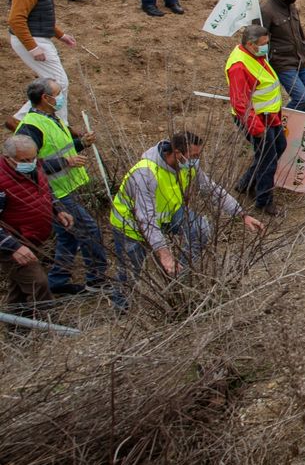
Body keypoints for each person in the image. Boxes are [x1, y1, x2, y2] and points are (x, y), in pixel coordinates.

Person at [108, 131, 264, 298]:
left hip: (168, 214)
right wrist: (164, 253)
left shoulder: (187, 166)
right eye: (194, 155)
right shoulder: (145, 174)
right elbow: (146, 218)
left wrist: (241, 214)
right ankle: (120, 304)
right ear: (177, 153)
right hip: (130, 225)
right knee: (131, 271)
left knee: (201, 229)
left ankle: (177, 276)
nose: (196, 160)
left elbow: (210, 189)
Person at [16, 77, 106, 294]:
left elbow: (58, 148)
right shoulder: (30, 127)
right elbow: (26, 166)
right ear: (45, 98)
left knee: (68, 235)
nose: (61, 97)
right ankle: (97, 280)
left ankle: (58, 280)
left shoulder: (50, 119)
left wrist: (80, 144)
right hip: (53, 192)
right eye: (58, 93)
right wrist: (66, 162)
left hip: (64, 188)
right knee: (89, 231)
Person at [0, 135, 76, 307]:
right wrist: (14, 247)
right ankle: (51, 328)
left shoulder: (34, 166)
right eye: (25, 160)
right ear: (8, 158)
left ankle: (17, 329)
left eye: (33, 157)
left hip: (31, 240)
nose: (31, 162)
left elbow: (44, 189)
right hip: (13, 244)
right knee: (38, 284)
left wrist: (58, 210)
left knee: (19, 288)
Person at [226, 25, 288, 217]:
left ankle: (246, 183)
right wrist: (257, 128)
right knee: (268, 158)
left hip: (269, 116)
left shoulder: (254, 55)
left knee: (278, 147)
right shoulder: (239, 66)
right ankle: (264, 200)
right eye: (264, 44)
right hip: (257, 120)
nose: (267, 47)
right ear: (251, 44)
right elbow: (240, 103)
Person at [7, 0, 77, 115]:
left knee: (55, 83)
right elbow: (16, 20)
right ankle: (41, 120)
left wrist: (60, 35)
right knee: (58, 83)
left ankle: (23, 119)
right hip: (32, 39)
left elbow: (40, 16)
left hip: (37, 37)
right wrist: (32, 47)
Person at [262, 0, 305, 112]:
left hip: (299, 60)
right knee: (301, 99)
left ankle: (301, 130)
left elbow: (300, 33)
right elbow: (260, 40)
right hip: (282, 64)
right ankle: (280, 126)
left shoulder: (290, 6)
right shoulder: (267, 11)